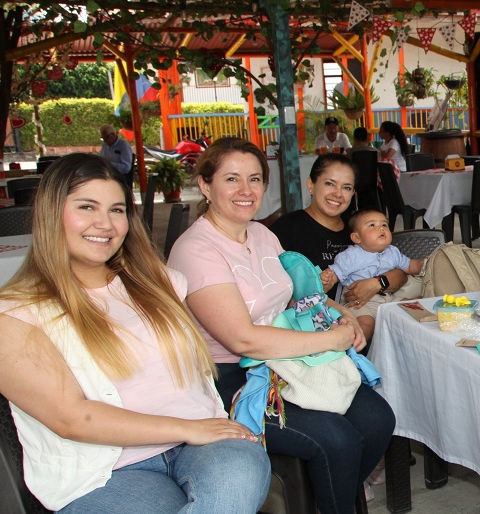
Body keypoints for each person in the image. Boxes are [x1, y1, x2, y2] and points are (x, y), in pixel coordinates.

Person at [0, 153, 269, 513]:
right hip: (106, 472)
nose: (105, 224)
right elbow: (71, 418)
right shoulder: (12, 316)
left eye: (117, 210)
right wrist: (186, 428)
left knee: (238, 476)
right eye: (87, 207)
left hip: (203, 443)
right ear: (51, 214)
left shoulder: (158, 283)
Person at [166, 138, 395, 514]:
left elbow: (300, 294)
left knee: (378, 420)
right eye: (232, 179)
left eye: (255, 179)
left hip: (289, 361)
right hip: (233, 378)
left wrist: (342, 313)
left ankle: (328, 499)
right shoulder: (196, 249)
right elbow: (243, 339)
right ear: (205, 185)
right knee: (336, 440)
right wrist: (332, 339)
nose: (245, 190)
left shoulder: (261, 234)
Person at [270, 154, 408, 301]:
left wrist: (377, 283)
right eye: (330, 183)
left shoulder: (359, 227)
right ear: (311, 184)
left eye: (346, 187)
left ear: (353, 193)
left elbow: (401, 273)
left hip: (370, 308)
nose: (338, 194)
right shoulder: (287, 228)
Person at [324, 209, 424, 341]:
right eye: (372, 225)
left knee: (413, 307)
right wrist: (328, 278)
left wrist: (425, 263)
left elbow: (410, 266)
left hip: (387, 298)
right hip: (359, 303)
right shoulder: (351, 256)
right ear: (357, 238)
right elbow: (336, 273)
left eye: (384, 225)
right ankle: (351, 349)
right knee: (366, 324)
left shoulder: (393, 252)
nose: (381, 228)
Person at [99, 124, 133, 190]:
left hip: (120, 180)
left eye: (106, 138)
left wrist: (109, 164)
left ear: (113, 135)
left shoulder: (124, 146)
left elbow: (126, 168)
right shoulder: (105, 145)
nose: (105, 141)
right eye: (103, 138)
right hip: (107, 178)